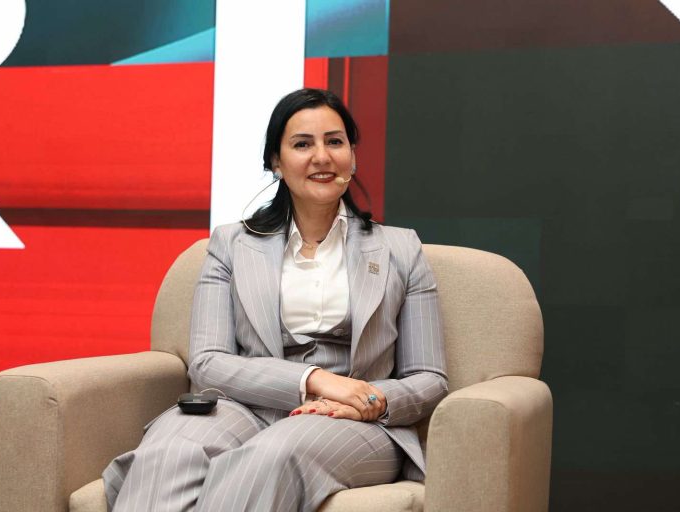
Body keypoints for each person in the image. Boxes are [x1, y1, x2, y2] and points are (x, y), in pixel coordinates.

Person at [102, 88, 448, 511]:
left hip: (352, 421)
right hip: (245, 407)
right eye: (302, 144)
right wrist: (312, 380)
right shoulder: (231, 244)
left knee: (271, 455)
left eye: (335, 142)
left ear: (353, 157)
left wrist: (369, 401)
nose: (321, 156)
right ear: (275, 163)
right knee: (168, 452)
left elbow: (430, 376)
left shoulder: (400, 248)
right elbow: (208, 361)